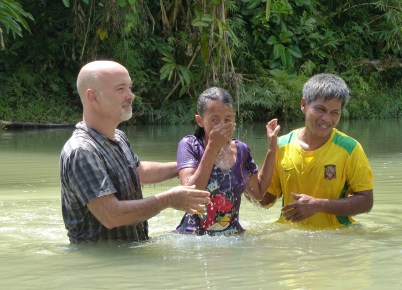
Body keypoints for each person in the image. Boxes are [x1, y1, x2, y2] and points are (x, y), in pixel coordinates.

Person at [60, 60, 210, 243]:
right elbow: (111, 215)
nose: (131, 95)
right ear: (92, 97)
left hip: (131, 257)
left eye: (130, 88)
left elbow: (140, 173)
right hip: (104, 267)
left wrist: (193, 164)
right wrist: (168, 199)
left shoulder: (118, 137)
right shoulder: (82, 151)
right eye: (120, 89)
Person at [259, 73, 374, 229]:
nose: (327, 119)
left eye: (335, 112)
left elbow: (366, 202)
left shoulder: (350, 149)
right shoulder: (281, 146)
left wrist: (318, 205)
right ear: (304, 105)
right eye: (320, 109)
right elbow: (265, 200)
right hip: (289, 238)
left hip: (336, 237)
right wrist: (243, 174)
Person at [175, 87, 280, 235]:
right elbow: (189, 194)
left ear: (235, 119)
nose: (222, 125)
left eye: (228, 119)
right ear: (200, 121)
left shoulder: (241, 150)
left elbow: (259, 194)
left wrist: (272, 150)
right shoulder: (190, 145)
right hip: (193, 238)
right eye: (214, 119)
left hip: (233, 238)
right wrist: (212, 147)